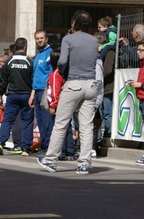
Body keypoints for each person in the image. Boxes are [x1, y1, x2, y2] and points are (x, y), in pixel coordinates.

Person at [37, 10, 101, 175]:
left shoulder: (68, 39)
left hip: (73, 82)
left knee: (61, 123)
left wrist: (64, 72)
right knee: (87, 126)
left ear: (74, 23)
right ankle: (84, 164)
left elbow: (63, 60)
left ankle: (51, 160)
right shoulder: (94, 40)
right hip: (91, 84)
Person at [0, 38, 34, 156]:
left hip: (12, 95)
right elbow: (34, 80)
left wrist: (1, 95)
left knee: (7, 120)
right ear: (25, 47)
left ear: (15, 47)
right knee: (26, 122)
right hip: (26, 95)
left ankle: (0, 142)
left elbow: (3, 81)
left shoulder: (9, 61)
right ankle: (26, 148)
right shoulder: (30, 62)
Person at [28, 29, 53, 155]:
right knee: (41, 121)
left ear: (46, 38)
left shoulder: (50, 53)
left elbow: (53, 74)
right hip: (37, 90)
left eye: (41, 38)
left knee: (47, 120)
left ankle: (49, 147)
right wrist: (32, 94)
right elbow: (35, 76)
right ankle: (44, 145)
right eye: (37, 38)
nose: (39, 40)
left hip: (46, 90)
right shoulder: (37, 56)